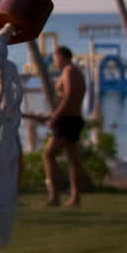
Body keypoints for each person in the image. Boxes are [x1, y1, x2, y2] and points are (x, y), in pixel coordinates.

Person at [43, 45, 87, 207]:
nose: (54, 62)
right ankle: (75, 197)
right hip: (73, 118)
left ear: (62, 56)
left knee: (48, 155)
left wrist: (55, 116)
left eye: (55, 58)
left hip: (67, 119)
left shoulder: (69, 71)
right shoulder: (75, 72)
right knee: (73, 160)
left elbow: (69, 96)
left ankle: (55, 196)